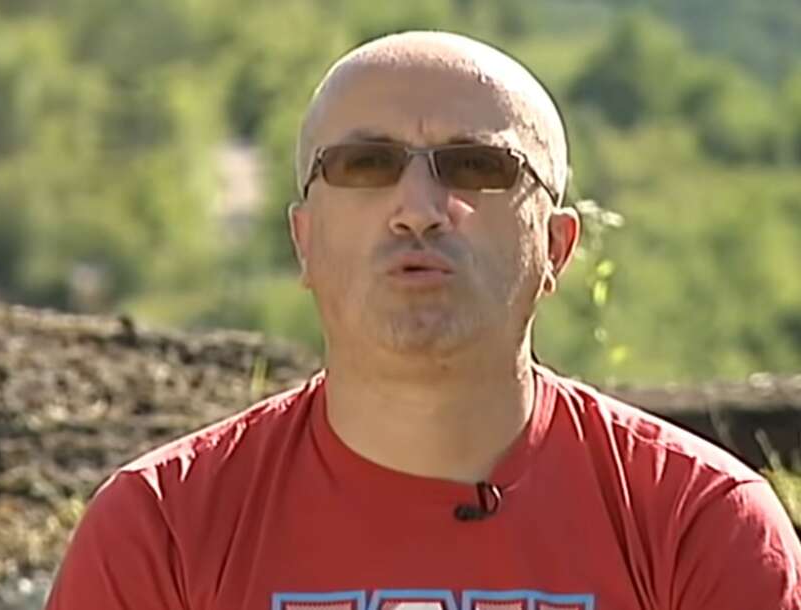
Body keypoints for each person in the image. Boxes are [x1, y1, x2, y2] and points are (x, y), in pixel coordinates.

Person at [45, 31, 801, 610]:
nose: (418, 209)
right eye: (365, 166)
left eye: (477, 167)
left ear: (556, 249)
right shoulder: (162, 531)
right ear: (304, 240)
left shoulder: (697, 526)